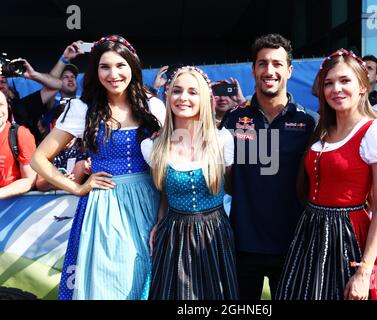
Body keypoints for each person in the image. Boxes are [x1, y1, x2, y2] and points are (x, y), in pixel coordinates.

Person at [30, 35, 162, 300]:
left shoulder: (153, 106)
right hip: (105, 208)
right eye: (105, 66)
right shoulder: (83, 109)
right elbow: (38, 159)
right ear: (96, 71)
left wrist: (163, 216)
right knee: (108, 286)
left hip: (149, 204)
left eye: (120, 65)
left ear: (133, 67)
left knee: (146, 283)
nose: (113, 74)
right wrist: (77, 188)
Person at [276, 49, 377, 300]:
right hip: (310, 232)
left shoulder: (376, 131)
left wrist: (365, 271)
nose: (336, 89)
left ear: (363, 87)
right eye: (329, 83)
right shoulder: (323, 129)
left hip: (350, 237)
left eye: (345, 81)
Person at [220, 34, 319, 300]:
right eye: (262, 63)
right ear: (253, 69)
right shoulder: (233, 119)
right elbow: (226, 179)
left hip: (293, 244)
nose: (269, 70)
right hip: (242, 244)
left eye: (277, 63)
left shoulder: (310, 122)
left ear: (289, 70)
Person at [141, 66, 239, 300]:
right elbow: (164, 192)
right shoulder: (153, 147)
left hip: (215, 234)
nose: (183, 97)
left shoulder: (223, 140)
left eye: (192, 92)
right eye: (177, 91)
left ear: (205, 98)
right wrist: (160, 221)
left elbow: (233, 188)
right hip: (174, 237)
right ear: (168, 96)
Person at [1, 58, 62, 144]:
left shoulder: (22, 107)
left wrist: (34, 75)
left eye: (3, 81)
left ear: (9, 88)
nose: (0, 85)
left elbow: (57, 86)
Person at [0, 91, 37, 199]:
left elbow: (29, 180)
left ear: (8, 107)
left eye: (1, 105)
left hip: (13, 208)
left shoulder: (21, 134)